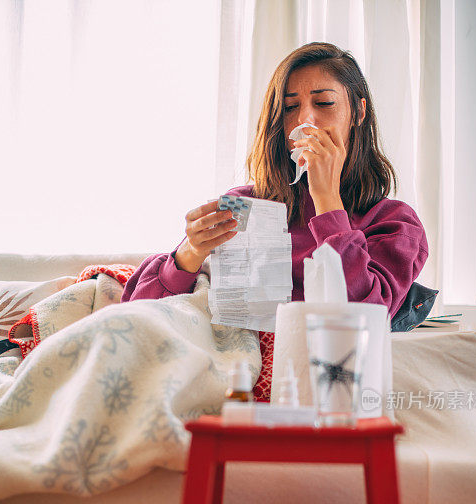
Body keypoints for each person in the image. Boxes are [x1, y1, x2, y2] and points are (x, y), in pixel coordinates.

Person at [122, 42, 428, 397]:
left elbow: (363, 319)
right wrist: (189, 254)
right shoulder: (245, 205)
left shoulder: (394, 223)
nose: (305, 121)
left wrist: (327, 198)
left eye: (324, 103)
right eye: (289, 108)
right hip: (223, 365)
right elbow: (138, 316)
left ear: (358, 112)